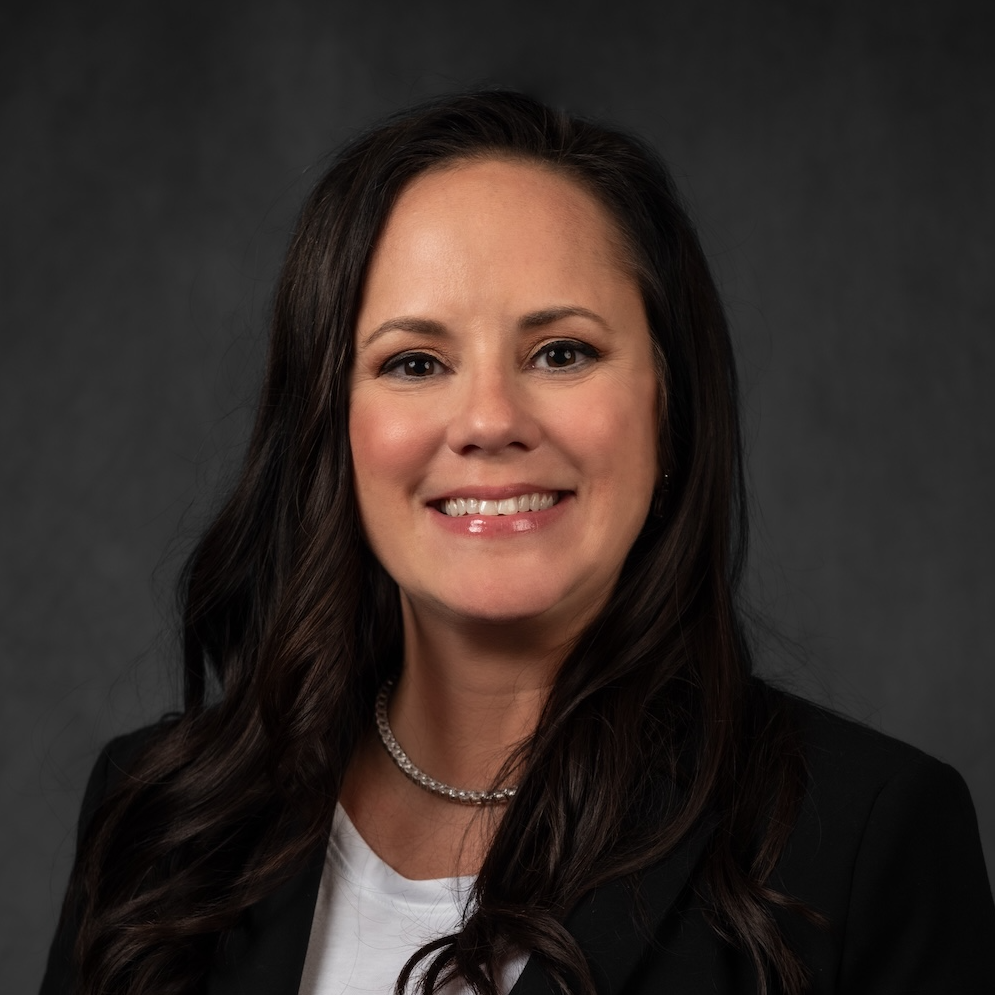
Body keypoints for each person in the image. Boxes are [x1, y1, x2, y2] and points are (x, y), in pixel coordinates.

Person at [41, 90, 993, 995]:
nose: (490, 420)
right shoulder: (161, 822)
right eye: (415, 362)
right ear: (331, 428)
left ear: (668, 409)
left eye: (561, 352)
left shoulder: (862, 840)